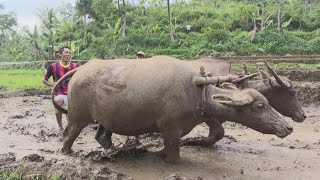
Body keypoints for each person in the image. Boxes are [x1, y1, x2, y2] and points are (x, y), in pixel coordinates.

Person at [42, 46, 80, 130]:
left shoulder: (76, 66)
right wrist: (53, 84)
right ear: (60, 54)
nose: (68, 54)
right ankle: (60, 127)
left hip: (73, 94)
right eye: (66, 52)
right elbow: (44, 80)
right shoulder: (53, 66)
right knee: (58, 100)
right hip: (60, 93)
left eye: (69, 53)